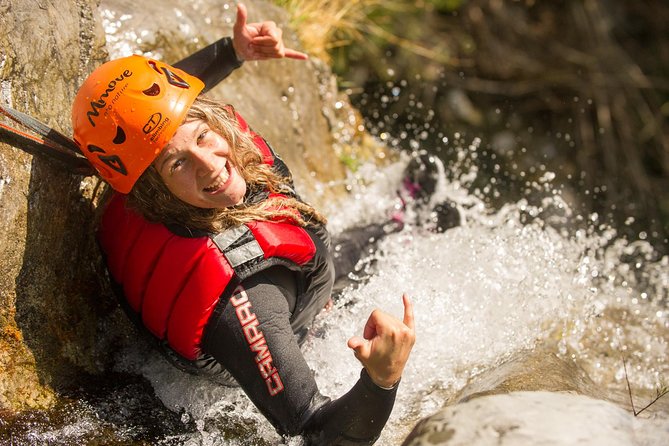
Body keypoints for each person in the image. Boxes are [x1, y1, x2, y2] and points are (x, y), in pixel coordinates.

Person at [71, 4, 415, 445]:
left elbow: (146, 117)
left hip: (276, 265)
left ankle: (404, 219)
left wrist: (231, 52)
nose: (210, 164)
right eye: (179, 164)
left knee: (372, 236)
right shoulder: (245, 299)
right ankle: (408, 220)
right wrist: (382, 380)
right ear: (153, 190)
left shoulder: (132, 167)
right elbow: (318, 436)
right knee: (370, 248)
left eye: (202, 136)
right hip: (269, 328)